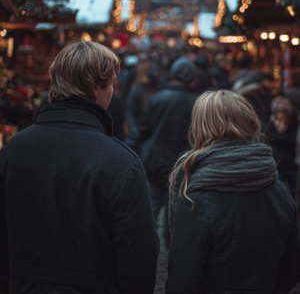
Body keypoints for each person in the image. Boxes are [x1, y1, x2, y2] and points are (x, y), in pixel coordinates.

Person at [0, 41, 159, 294]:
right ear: (96, 86)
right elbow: (138, 257)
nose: (112, 92)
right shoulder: (121, 162)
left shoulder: (14, 149)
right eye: (111, 85)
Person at [167, 90, 300, 294]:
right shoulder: (278, 190)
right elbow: (292, 264)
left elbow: (183, 278)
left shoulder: (195, 198)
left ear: (201, 127)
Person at [132, 56, 197, 246]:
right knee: (174, 205)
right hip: (179, 162)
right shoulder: (193, 103)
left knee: (153, 203)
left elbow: (143, 130)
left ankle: (145, 241)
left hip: (154, 160)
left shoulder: (157, 99)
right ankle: (171, 243)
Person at [266, 96, 299, 198]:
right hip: (278, 164)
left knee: (293, 192)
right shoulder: (272, 124)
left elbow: (292, 139)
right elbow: (268, 138)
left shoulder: (294, 124)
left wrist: (281, 134)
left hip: (292, 164)